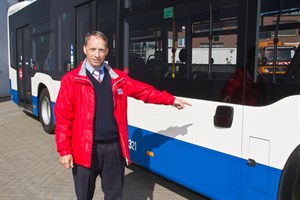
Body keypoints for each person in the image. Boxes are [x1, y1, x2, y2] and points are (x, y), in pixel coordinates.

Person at [54, 31, 191, 200]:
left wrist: (170, 100)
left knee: (114, 196)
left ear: (107, 51)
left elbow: (144, 91)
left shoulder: (118, 78)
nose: (97, 55)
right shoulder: (72, 80)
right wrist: (65, 151)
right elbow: (63, 117)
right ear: (84, 49)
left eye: (101, 50)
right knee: (84, 196)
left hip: (114, 149)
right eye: (93, 49)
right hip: (85, 149)